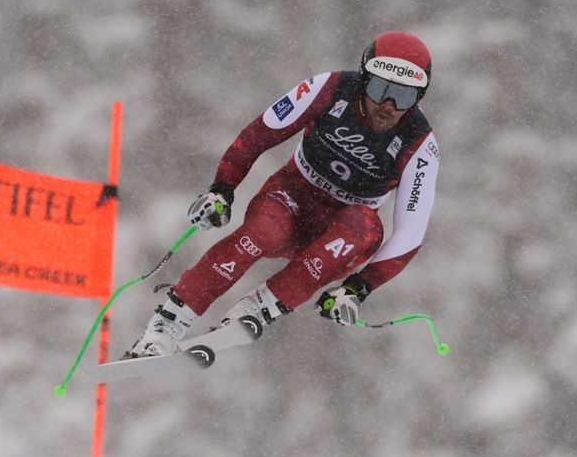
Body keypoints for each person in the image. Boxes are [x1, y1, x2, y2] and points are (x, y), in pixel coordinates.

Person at [125, 30, 440, 358]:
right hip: (292, 197)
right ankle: (165, 326)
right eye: (380, 89)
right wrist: (221, 190)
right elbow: (258, 135)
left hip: (341, 232)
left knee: (365, 225)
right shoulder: (329, 88)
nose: (387, 106)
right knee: (264, 231)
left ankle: (256, 310)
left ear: (419, 97)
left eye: (403, 97)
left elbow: (411, 233)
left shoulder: (420, 144)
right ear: (363, 80)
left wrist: (358, 289)